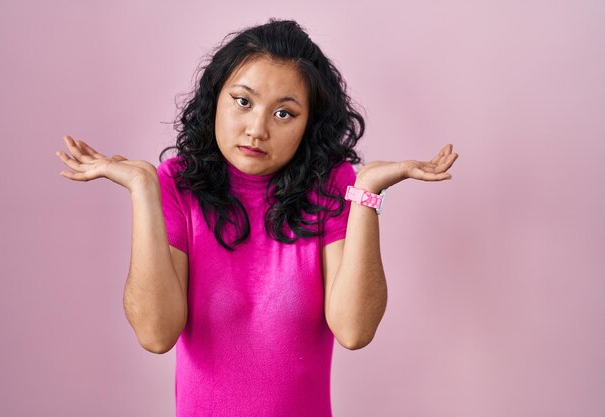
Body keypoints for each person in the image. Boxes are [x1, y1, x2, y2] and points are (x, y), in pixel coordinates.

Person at [55, 18, 458, 417]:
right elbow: (156, 334)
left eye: (284, 113)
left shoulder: (334, 185)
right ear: (216, 98)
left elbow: (354, 331)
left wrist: (367, 192)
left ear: (308, 125)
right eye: (243, 102)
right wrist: (143, 188)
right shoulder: (176, 184)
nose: (257, 129)